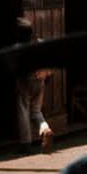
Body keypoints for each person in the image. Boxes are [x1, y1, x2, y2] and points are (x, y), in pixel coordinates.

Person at [12, 18, 53, 153]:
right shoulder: (40, 42)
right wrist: (46, 75)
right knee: (35, 111)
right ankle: (45, 129)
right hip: (40, 79)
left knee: (23, 109)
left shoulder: (18, 47)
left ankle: (25, 143)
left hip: (25, 80)